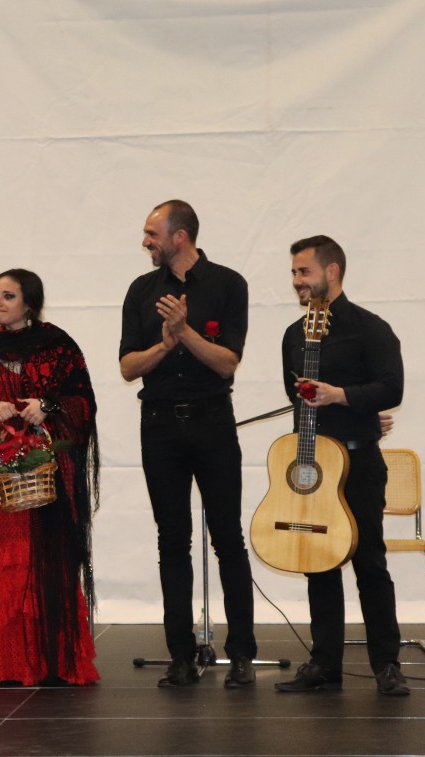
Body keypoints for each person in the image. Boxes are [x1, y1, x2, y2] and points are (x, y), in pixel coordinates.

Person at [119, 200, 257, 688]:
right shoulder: (141, 290)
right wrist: (164, 344)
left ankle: (241, 654)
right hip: (159, 426)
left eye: (152, 233)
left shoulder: (228, 284)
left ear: (180, 236)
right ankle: (180, 654)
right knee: (172, 540)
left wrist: (184, 331)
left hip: (212, 422)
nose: (145, 242)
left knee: (228, 539)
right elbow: (127, 367)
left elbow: (227, 362)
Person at [273, 235, 409, 696]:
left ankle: (387, 664)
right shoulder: (293, 335)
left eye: (304, 271)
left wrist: (344, 397)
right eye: (294, 273)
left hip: (359, 463)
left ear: (332, 271)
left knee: (370, 562)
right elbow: (297, 399)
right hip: (313, 468)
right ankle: (324, 663)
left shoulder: (371, 329)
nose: (297, 281)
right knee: (318, 563)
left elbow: (392, 388)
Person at [0, 269, 100, 685]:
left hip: (47, 475)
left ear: (29, 303)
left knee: (48, 562)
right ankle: (3, 663)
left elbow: (84, 403)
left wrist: (46, 406)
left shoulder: (58, 345)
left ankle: (50, 661)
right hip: (3, 477)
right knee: (5, 561)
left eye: (8, 296)